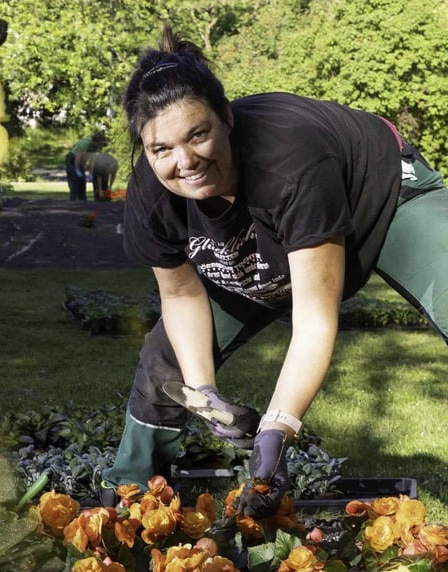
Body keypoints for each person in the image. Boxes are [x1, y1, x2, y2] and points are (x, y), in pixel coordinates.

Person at [99, 25, 447, 517]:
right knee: (166, 356)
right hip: (264, 237)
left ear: (226, 119)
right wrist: (206, 398)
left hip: (383, 197)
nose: (186, 161)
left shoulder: (288, 160)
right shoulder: (153, 196)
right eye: (162, 149)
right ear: (146, 149)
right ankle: (130, 494)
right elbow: (180, 298)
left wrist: (278, 426)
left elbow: (315, 318)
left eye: (198, 134)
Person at [65, 131, 106, 200]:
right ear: (97, 141)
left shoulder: (95, 147)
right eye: (101, 142)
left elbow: (91, 161)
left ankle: (83, 204)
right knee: (75, 184)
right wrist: (77, 170)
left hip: (81, 163)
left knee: (82, 184)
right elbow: (78, 157)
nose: (102, 145)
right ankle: (73, 203)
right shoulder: (85, 143)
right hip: (72, 161)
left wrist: (90, 174)